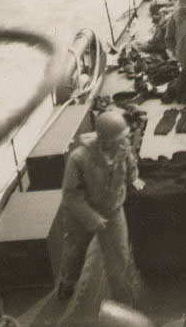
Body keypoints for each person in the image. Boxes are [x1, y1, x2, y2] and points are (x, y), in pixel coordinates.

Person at [58, 110, 145, 304]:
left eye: (122, 138)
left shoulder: (123, 146)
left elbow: (130, 164)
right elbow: (71, 195)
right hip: (82, 214)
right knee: (75, 252)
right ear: (103, 138)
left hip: (112, 209)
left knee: (119, 258)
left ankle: (124, 303)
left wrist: (134, 178)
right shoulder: (79, 158)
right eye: (115, 140)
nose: (120, 143)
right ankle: (67, 282)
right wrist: (92, 218)